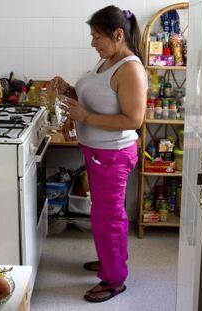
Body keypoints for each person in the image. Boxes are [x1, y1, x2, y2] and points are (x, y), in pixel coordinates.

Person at [51, 5, 147, 303]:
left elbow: (134, 120)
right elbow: (100, 100)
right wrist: (69, 89)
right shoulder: (107, 62)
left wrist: (86, 117)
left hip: (113, 155)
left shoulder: (129, 68)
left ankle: (115, 279)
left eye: (97, 36)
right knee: (103, 214)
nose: (93, 42)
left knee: (109, 218)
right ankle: (110, 262)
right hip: (98, 153)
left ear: (118, 35)